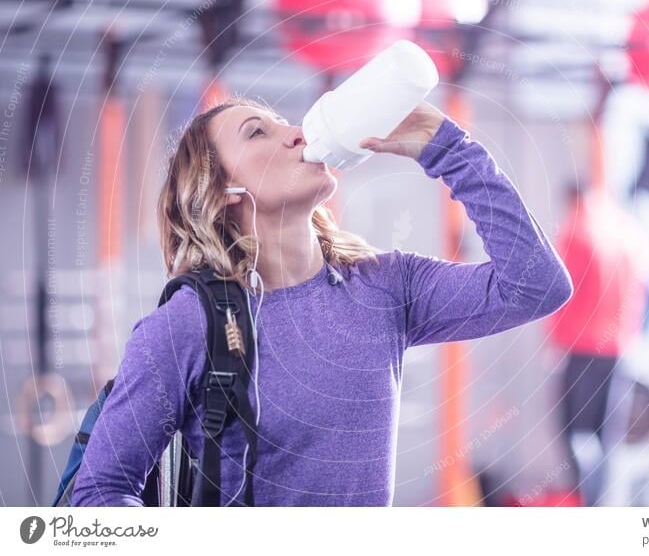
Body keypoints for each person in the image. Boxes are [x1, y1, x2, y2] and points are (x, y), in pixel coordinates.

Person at [71, 96, 573, 506]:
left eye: (283, 123)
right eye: (257, 132)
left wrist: (449, 151)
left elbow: (536, 285)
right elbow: (99, 495)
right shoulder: (185, 326)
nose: (295, 132)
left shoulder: (386, 287)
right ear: (223, 189)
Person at [547, 182, 649, 506]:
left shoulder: (575, 230)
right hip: (619, 347)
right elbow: (645, 291)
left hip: (580, 348)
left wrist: (554, 341)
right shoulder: (629, 232)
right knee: (608, 436)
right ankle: (605, 505)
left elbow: (559, 291)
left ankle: (588, 503)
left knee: (575, 433)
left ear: (572, 198)